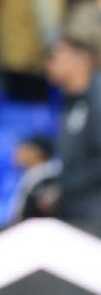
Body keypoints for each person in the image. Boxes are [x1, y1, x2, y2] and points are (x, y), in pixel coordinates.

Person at [42, 35, 101, 220]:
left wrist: (63, 187)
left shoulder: (97, 100)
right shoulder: (67, 100)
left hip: (93, 210)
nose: (49, 64)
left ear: (81, 61)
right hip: (71, 206)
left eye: (56, 57)